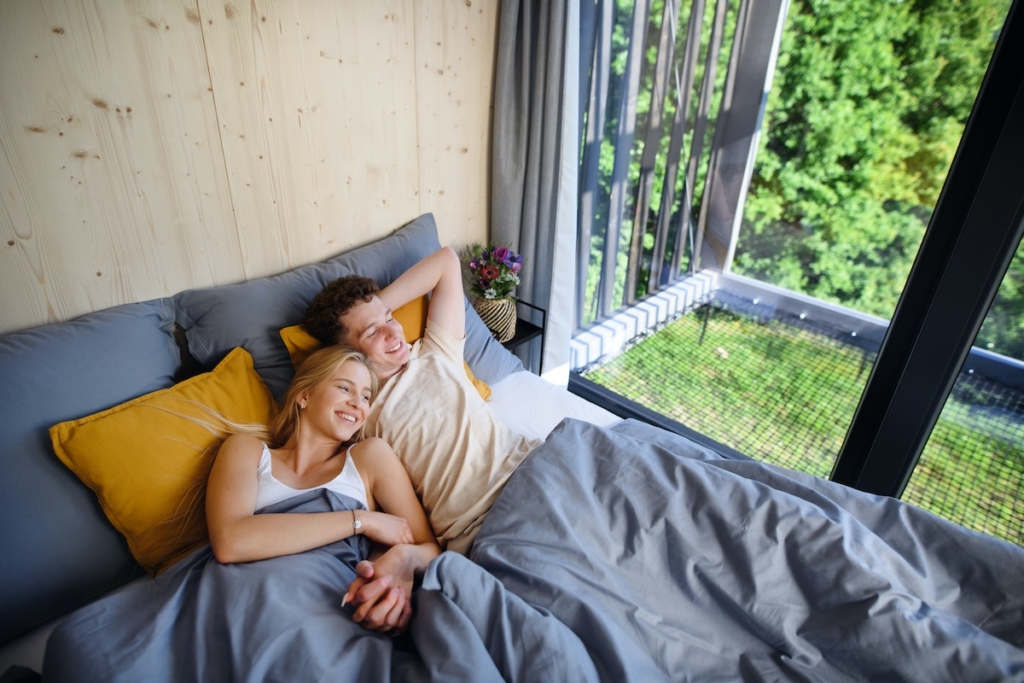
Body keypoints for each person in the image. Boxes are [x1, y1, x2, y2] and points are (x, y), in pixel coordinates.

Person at [304, 246, 539, 554]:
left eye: (391, 318)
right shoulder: (361, 412)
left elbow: (446, 262)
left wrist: (372, 310)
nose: (394, 332)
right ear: (348, 354)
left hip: (532, 466)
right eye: (374, 332)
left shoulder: (434, 350)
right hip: (481, 520)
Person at [205, 345, 440, 633]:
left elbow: (429, 549)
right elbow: (230, 542)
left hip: (324, 610)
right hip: (237, 598)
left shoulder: (368, 457)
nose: (358, 403)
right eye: (345, 388)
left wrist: (402, 559)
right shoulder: (248, 450)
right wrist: (361, 520)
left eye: (366, 396)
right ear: (304, 395)